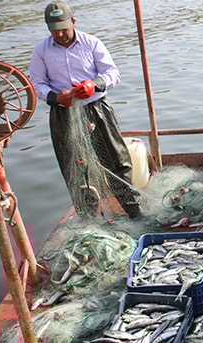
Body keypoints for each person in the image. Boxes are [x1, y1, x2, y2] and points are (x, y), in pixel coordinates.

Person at [29, 1, 141, 218]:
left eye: (63, 27)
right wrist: (55, 96)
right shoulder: (41, 50)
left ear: (73, 22)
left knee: (116, 160)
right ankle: (88, 217)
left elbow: (112, 74)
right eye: (54, 30)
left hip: (96, 108)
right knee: (75, 167)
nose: (60, 33)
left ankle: (134, 211)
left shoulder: (91, 43)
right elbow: (36, 83)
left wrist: (94, 84)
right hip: (64, 112)